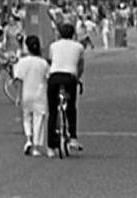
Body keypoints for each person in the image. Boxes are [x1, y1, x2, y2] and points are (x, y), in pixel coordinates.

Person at [47, 21, 85, 152]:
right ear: (73, 34)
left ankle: (51, 144)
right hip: (69, 79)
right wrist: (78, 78)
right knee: (70, 107)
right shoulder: (79, 47)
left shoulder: (53, 46)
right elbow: (80, 66)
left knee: (52, 111)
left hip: (54, 78)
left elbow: (51, 61)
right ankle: (73, 137)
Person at [13, 35, 50, 155]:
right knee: (39, 119)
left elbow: (18, 79)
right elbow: (48, 78)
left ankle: (28, 139)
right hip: (40, 93)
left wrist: (18, 96)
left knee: (26, 117)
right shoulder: (43, 63)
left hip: (26, 93)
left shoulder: (22, 62)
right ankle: (36, 146)